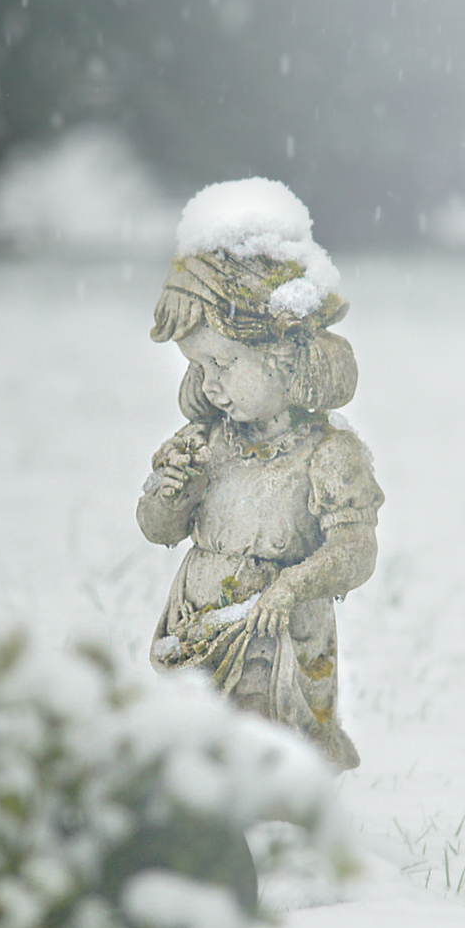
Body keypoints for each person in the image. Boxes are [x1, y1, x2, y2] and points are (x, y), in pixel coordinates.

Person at [137, 180, 382, 770]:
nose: (211, 383)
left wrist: (293, 586)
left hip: (279, 649)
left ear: (283, 358)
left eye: (224, 363)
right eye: (199, 366)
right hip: (196, 629)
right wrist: (172, 497)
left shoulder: (327, 455)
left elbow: (356, 551)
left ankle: (277, 836)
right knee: (197, 756)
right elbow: (155, 526)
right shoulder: (207, 442)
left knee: (271, 761)